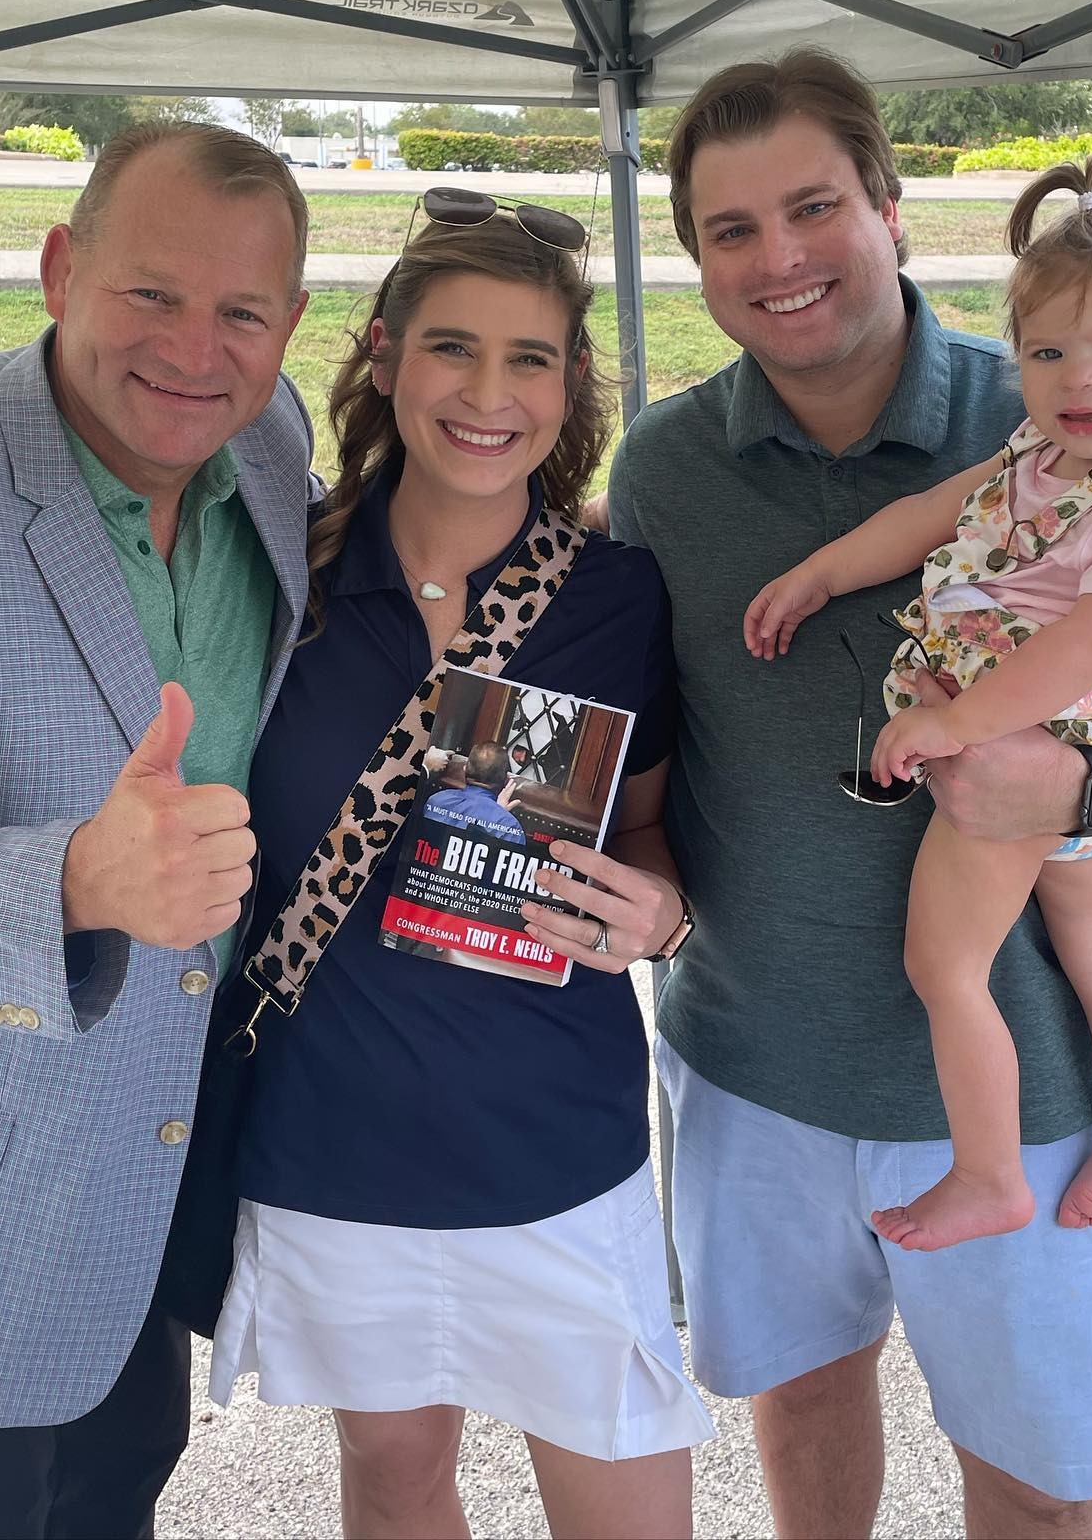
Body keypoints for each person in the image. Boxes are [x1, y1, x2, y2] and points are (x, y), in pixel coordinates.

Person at [606, 51, 1092, 1538]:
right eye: (730, 231)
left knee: (1034, 1484)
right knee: (805, 1412)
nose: (781, 259)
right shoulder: (665, 467)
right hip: (749, 1067)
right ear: (694, 257)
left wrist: (1083, 787)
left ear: (891, 207)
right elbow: (654, 741)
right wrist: (638, 877)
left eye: (815, 206)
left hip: (1029, 1090)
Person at [0, 121, 315, 1540]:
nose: (194, 350)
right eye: (151, 294)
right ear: (59, 269)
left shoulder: (269, 448)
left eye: (241, 312)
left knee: (110, 1499)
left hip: (150, 1170)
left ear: (292, 328)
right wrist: (73, 877)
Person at [208, 203, 713, 1540]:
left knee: (625, 1496)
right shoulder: (281, 579)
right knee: (392, 1475)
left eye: (532, 360)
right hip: (332, 1145)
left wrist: (658, 910)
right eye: (451, 349)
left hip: (552, 1140)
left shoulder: (617, 597)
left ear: (573, 386)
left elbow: (650, 831)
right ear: (384, 357)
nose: (490, 396)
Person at [745, 153, 1092, 1251]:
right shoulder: (1044, 452)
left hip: (1029, 747)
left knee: (945, 966)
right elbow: (932, 511)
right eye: (1048, 350)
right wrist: (826, 572)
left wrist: (956, 724)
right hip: (1073, 765)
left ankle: (988, 1171)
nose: (1079, 378)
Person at [424, 740, 529, 843]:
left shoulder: (436, 801)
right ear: (506, 780)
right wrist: (498, 816)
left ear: (465, 769)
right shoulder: (510, 828)